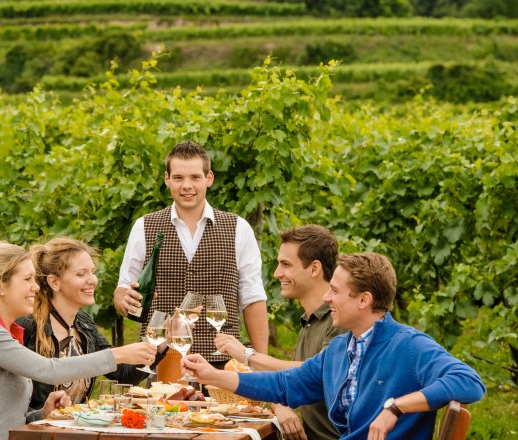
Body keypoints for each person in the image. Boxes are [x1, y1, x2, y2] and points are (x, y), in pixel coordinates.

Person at [183, 252, 486, 440]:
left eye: (335, 291)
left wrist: (395, 407)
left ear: (364, 300)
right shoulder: (342, 349)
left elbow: (470, 382)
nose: (327, 298)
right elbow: (283, 385)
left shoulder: (408, 345)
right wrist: (212, 375)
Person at [0, 242, 156, 440]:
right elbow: (48, 369)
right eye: (27, 279)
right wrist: (118, 354)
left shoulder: (1, 331)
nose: (35, 286)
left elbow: (4, 417)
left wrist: (41, 414)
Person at [114, 140, 269, 372]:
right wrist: (124, 301)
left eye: (195, 177)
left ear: (209, 178)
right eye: (178, 178)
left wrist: (261, 365)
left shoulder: (239, 228)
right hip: (161, 361)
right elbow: (121, 293)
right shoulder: (144, 226)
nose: (187, 185)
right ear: (167, 179)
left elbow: (253, 298)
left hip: (223, 364)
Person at [216, 224, 344, 440]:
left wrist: (248, 356)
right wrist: (280, 404)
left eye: (286, 264)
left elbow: (316, 372)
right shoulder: (309, 321)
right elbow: (294, 381)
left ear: (314, 269)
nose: (276, 274)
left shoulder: (339, 320)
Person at [17, 237, 165, 410]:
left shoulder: (84, 324)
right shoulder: (27, 326)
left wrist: (162, 340)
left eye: (92, 272)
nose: (93, 280)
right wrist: (118, 353)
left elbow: (125, 375)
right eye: (81, 274)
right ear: (54, 282)